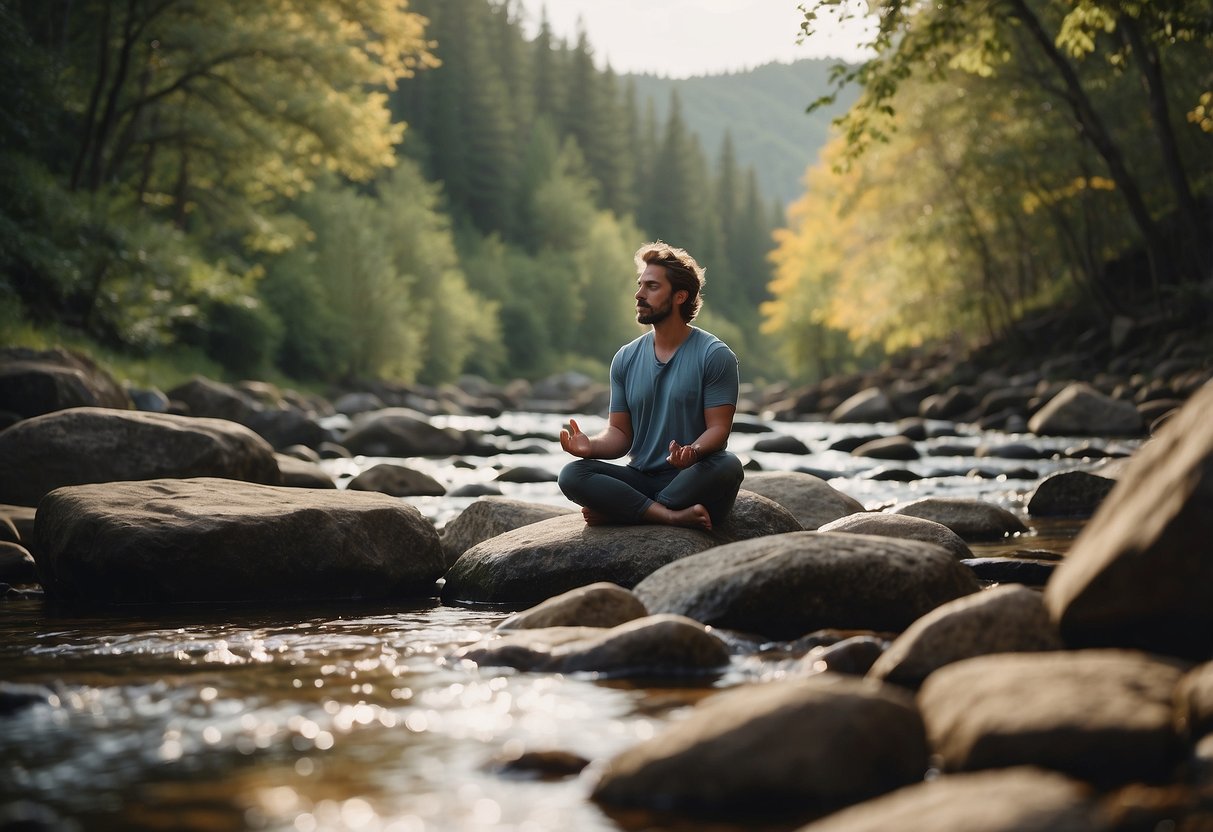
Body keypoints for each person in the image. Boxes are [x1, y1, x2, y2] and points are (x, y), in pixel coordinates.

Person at [557, 241, 745, 531]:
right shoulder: (625, 358)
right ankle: (666, 514)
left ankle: (629, 511)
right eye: (640, 284)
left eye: (652, 287)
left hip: (692, 478)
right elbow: (620, 434)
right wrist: (590, 446)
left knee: (729, 465)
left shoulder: (715, 355)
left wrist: (692, 452)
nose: (639, 294)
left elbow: (719, 430)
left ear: (680, 296)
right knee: (572, 474)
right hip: (641, 478)